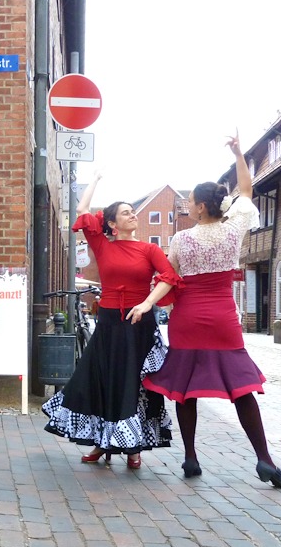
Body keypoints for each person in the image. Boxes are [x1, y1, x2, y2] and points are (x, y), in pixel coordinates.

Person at [143, 134, 281, 488]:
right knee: (241, 387)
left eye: (190, 202)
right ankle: (265, 459)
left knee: (185, 388)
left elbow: (171, 277)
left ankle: (191, 458)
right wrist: (239, 153)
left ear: (199, 208)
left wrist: (149, 300)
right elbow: (246, 191)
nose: (188, 206)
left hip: (188, 318)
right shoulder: (234, 231)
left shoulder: (181, 240)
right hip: (224, 317)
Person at [43, 170, 181, 468]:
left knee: (131, 382)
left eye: (133, 212)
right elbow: (82, 211)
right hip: (108, 322)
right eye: (126, 213)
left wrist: (147, 304)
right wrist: (95, 180)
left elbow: (169, 278)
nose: (133, 215)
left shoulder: (150, 249)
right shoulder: (102, 245)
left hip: (138, 324)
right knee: (100, 379)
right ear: (112, 224)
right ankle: (100, 443)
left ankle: (132, 447)